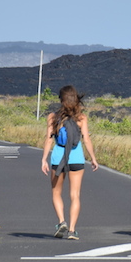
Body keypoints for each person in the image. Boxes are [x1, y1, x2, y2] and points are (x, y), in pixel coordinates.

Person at [40, 85, 99, 240]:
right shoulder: (81, 118)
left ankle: (61, 221)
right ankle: (72, 230)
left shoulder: (53, 117)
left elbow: (48, 139)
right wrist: (93, 158)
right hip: (76, 158)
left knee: (56, 192)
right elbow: (86, 139)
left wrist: (44, 159)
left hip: (58, 157)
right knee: (75, 195)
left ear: (61, 100)